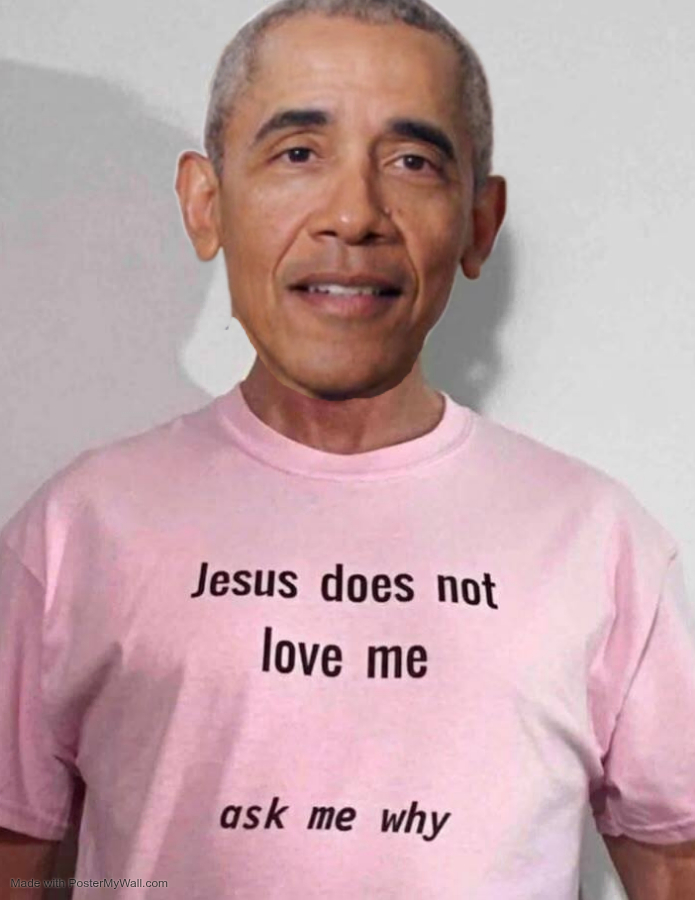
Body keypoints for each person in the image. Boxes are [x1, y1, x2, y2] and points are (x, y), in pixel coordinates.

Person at [1, 0, 694, 897]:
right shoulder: (77, 530)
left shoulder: (595, 539)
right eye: (298, 153)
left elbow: (674, 859)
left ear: (478, 222)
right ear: (206, 203)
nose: (354, 214)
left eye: (412, 161)